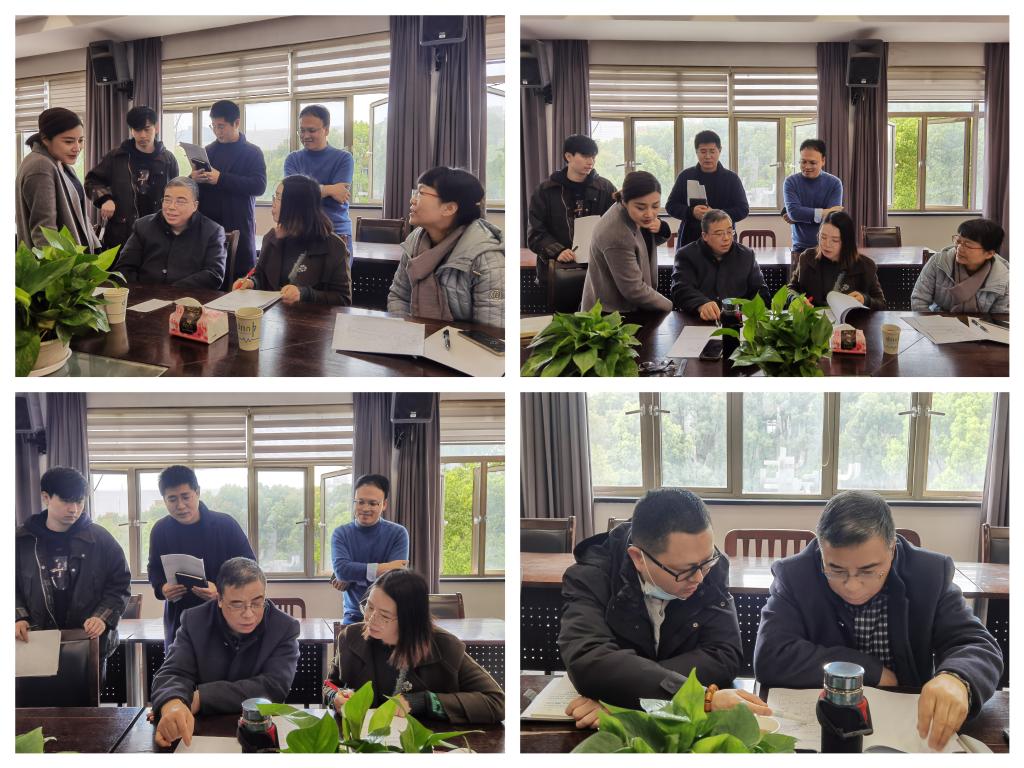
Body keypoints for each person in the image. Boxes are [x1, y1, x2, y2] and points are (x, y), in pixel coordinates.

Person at [753, 490, 1003, 751]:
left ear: (892, 548)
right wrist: (871, 671)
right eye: (835, 570)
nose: (852, 585)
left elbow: (977, 644)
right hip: (825, 728)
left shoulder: (928, 573)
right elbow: (771, 655)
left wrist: (957, 678)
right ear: (820, 549)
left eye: (869, 571)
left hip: (909, 730)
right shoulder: (795, 575)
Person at [558, 489, 768, 728]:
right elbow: (589, 658)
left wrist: (629, 695)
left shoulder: (711, 567)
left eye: (706, 562)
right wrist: (697, 697)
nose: (699, 578)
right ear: (638, 558)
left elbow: (724, 655)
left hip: (678, 723)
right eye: (684, 571)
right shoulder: (590, 576)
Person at [150, 558, 299, 748]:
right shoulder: (194, 620)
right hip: (202, 732)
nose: (249, 614)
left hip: (259, 731)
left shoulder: (284, 627)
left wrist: (200, 698)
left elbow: (273, 687)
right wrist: (173, 704)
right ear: (219, 599)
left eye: (257, 602)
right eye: (237, 604)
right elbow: (173, 673)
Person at [323, 568, 503, 724]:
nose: (371, 619)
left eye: (384, 616)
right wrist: (335, 697)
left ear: (409, 619)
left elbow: (497, 702)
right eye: (369, 607)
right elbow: (329, 685)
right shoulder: (351, 638)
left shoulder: (444, 646)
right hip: (363, 742)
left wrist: (423, 701)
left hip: (424, 741)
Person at [15, 467, 131, 661]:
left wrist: (101, 617)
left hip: (88, 642)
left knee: (88, 683)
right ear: (46, 497)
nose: (74, 509)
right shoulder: (21, 540)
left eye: (79, 501)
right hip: (34, 640)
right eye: (66, 500)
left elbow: (120, 583)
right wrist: (18, 617)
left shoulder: (100, 539)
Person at [148, 465, 256, 650]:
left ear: (197, 492)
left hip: (222, 617)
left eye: (186, 497)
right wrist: (162, 587)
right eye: (172, 499)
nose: (180, 506)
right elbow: (154, 568)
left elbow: (250, 569)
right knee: (179, 667)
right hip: (179, 620)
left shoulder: (225, 525)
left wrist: (221, 592)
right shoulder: (160, 530)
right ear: (164, 499)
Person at [387, 167, 505, 327]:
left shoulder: (486, 258)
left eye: (421, 193)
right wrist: (407, 332)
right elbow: (399, 297)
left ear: (449, 208)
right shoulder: (414, 241)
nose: (412, 200)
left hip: (463, 342)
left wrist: (439, 339)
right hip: (414, 337)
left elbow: (491, 328)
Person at [232, 175, 352, 305]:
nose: (273, 203)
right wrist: (251, 283)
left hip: (310, 316)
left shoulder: (334, 246)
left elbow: (343, 299)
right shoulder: (272, 238)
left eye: (279, 198)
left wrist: (305, 294)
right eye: (274, 197)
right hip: (274, 315)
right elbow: (261, 276)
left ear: (296, 205)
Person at [192, 100, 267, 287]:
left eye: (221, 126)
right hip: (208, 225)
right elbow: (193, 188)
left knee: (239, 282)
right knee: (208, 281)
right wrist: (193, 178)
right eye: (213, 126)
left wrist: (221, 178)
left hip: (238, 224)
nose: (217, 131)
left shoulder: (252, 152)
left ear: (236, 123)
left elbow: (259, 186)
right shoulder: (208, 151)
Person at [85, 105, 180, 252]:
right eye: (137, 130)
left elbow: (176, 191)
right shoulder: (116, 157)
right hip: (122, 232)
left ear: (156, 128)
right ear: (131, 130)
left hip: (159, 230)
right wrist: (105, 199)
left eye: (147, 129)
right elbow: (92, 181)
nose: (142, 135)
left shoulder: (168, 159)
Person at [527, 134, 616, 285]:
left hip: (597, 268)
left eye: (593, 157)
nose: (591, 162)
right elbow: (535, 232)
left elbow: (616, 224)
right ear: (568, 156)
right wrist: (557, 251)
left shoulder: (605, 188)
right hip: (557, 269)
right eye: (585, 156)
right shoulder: (546, 190)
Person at [579, 170, 673, 313]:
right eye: (641, 207)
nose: (649, 214)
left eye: (655, 206)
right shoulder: (617, 234)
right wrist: (670, 307)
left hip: (629, 307)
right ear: (624, 201)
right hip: (611, 314)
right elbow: (634, 290)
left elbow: (641, 247)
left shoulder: (632, 214)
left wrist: (662, 227)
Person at [116, 176, 226, 289]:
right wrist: (141, 291)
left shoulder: (213, 231)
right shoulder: (143, 226)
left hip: (189, 296)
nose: (171, 207)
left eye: (180, 201)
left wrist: (171, 292)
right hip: (143, 294)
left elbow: (214, 274)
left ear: (195, 205)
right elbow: (124, 269)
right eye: (167, 200)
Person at [16, 107, 101, 251]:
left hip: (78, 257)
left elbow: (79, 215)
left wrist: (96, 247)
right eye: (68, 142)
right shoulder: (40, 167)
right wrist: (59, 266)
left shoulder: (60, 164)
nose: (77, 148)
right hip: (62, 262)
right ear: (45, 139)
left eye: (80, 140)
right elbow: (45, 232)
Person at [331, 474, 409, 624]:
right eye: (360, 502)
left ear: (384, 505)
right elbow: (341, 570)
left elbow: (395, 578)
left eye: (373, 503)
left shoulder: (398, 533)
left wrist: (353, 576)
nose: (365, 508)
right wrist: (383, 567)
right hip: (354, 616)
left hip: (389, 616)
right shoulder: (341, 534)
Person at [670, 210, 771, 319]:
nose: (726, 238)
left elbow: (760, 291)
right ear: (705, 236)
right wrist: (701, 304)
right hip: (698, 320)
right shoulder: (686, 255)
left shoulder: (746, 255)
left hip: (739, 320)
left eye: (729, 232)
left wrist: (747, 312)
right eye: (719, 234)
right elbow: (681, 289)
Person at [283, 104, 353, 249]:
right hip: (300, 230)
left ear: (326, 130)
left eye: (311, 130)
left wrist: (304, 190)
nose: (305, 136)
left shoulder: (344, 158)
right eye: (302, 130)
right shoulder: (292, 159)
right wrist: (330, 189)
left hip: (336, 231)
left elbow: (340, 195)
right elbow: (291, 193)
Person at [665, 130, 749, 247]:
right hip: (690, 241)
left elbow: (743, 209)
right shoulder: (685, 176)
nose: (708, 156)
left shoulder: (731, 179)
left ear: (719, 151)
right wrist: (691, 212)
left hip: (724, 240)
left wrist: (715, 214)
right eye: (703, 151)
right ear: (696, 152)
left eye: (712, 151)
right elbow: (671, 206)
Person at [789, 210, 886, 309]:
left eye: (835, 240)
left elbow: (881, 303)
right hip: (814, 317)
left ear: (847, 242)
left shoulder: (865, 266)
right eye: (823, 237)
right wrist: (795, 299)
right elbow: (791, 289)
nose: (827, 244)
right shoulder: (807, 258)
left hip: (851, 318)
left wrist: (865, 300)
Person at [911, 218, 1009, 314]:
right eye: (958, 241)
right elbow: (919, 300)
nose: (959, 248)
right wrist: (931, 323)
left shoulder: (1004, 277)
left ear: (989, 253)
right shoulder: (939, 262)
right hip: (938, 320)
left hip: (981, 323)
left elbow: (1001, 316)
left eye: (968, 245)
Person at [782, 139, 844, 260]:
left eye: (812, 162)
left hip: (828, 248)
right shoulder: (790, 182)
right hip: (799, 248)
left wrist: (803, 215)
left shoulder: (834, 183)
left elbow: (832, 218)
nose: (807, 166)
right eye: (803, 162)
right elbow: (794, 213)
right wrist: (824, 212)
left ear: (823, 161)